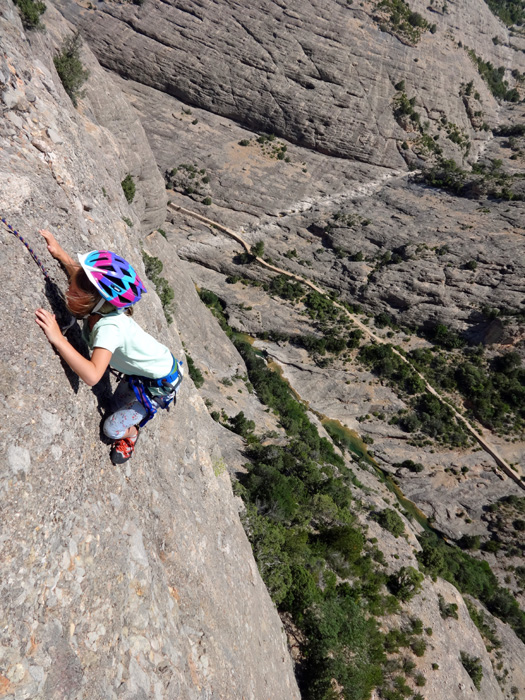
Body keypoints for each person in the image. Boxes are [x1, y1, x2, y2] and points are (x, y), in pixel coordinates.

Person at [35, 229, 183, 464]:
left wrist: (58, 338)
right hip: (148, 369)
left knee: (111, 428)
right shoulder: (99, 303)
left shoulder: (108, 329)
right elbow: (79, 277)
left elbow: (93, 375)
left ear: (95, 302)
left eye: (73, 291)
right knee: (113, 404)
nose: (67, 291)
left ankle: (131, 434)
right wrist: (60, 253)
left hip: (159, 384)